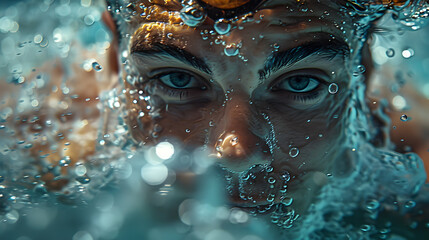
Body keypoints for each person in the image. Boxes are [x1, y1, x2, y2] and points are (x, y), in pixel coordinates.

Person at [0, 0, 429, 239]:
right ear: (116, 65)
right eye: (176, 78)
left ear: (364, 72)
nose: (235, 151)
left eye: (300, 83)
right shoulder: (26, 144)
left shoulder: (414, 180)